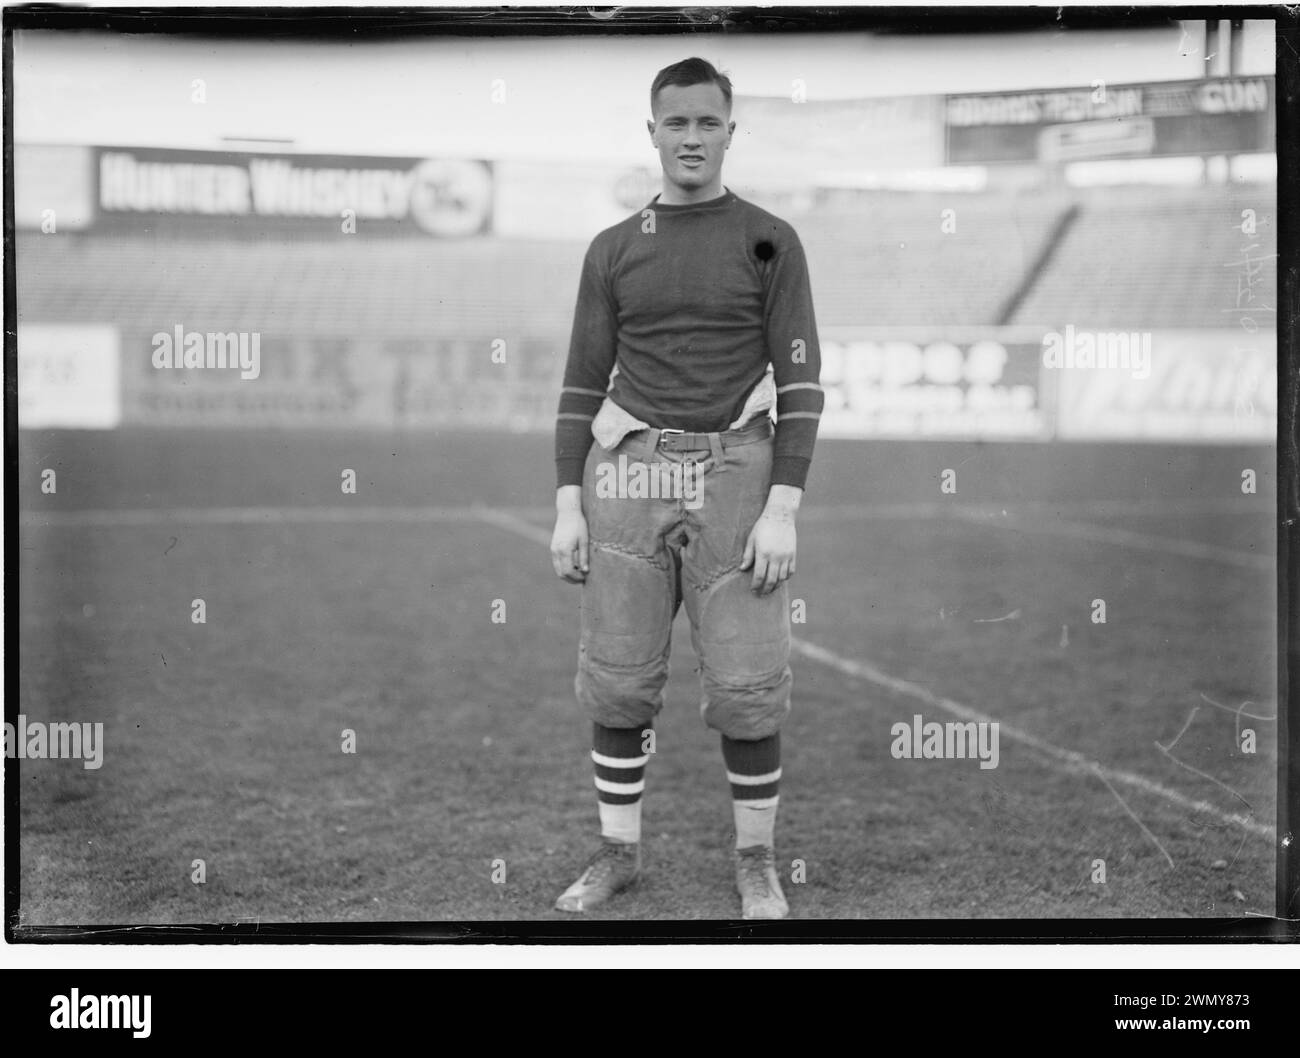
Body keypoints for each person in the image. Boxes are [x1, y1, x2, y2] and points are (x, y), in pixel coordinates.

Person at [549, 57, 823, 919]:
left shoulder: (768, 238)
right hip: (628, 467)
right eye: (677, 123)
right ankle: (616, 855)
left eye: (708, 123)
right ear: (653, 132)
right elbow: (580, 382)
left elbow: (804, 384)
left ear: (730, 132)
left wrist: (784, 507)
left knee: (746, 686)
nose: (692, 137)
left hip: (738, 466)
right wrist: (566, 501)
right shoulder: (615, 246)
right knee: (621, 680)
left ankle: (756, 862)